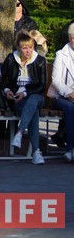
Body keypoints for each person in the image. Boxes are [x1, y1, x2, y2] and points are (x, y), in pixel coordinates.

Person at [1, 31, 46, 165]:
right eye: (24, 48)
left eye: (30, 47)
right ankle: (36, 153)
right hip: (18, 99)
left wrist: (25, 93)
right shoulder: (11, 59)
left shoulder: (40, 61)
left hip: (36, 97)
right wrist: (7, 90)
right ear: (19, 48)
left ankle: (19, 132)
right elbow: (3, 80)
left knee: (32, 101)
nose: (28, 51)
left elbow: (41, 86)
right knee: (33, 114)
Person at [50, 22, 74, 162]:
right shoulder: (61, 55)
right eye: (73, 38)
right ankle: (70, 148)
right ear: (70, 38)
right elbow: (56, 80)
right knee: (71, 108)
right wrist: (69, 93)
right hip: (60, 96)